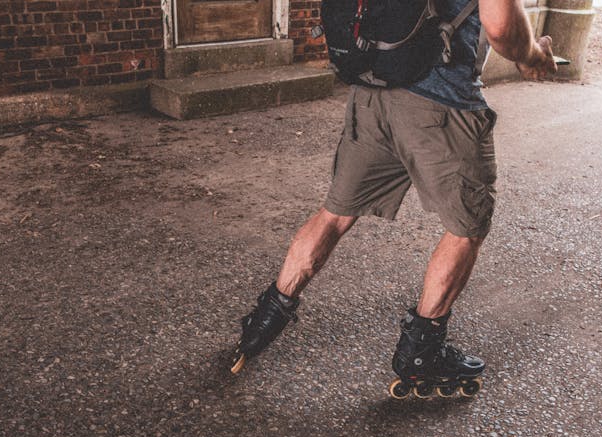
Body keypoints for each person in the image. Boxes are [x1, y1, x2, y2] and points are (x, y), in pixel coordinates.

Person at [229, 0, 557, 398]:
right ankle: (422, 355)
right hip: (443, 106)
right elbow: (502, 27)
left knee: (334, 214)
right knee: (466, 229)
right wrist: (534, 57)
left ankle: (262, 323)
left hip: (372, 93)